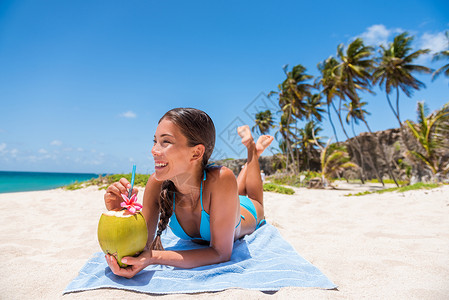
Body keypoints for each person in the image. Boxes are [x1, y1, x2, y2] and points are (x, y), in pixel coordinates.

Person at [103, 108, 274, 278]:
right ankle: (253, 153)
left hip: (247, 212)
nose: (154, 150)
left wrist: (154, 258)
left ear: (196, 152)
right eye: (155, 141)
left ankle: (252, 150)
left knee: (253, 198)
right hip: (223, 201)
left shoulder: (221, 178)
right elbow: (140, 248)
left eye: (166, 142)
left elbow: (221, 253)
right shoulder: (156, 183)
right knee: (235, 189)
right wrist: (118, 214)